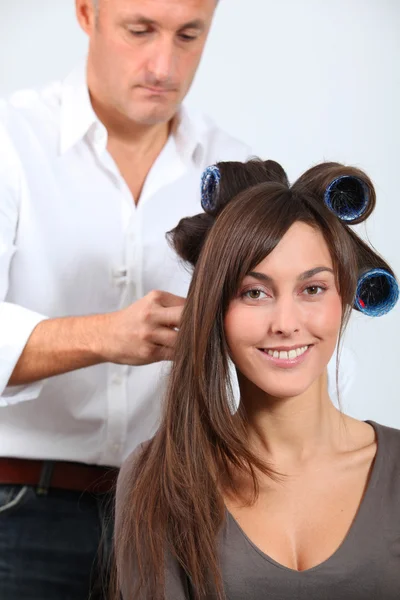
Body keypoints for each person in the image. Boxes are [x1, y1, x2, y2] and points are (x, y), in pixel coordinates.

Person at [0, 1, 353, 598]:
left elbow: (280, 330)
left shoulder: (236, 171)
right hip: (19, 510)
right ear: (87, 13)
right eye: (140, 31)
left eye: (189, 35)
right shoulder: (10, 143)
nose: (164, 63)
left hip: (177, 510)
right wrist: (104, 336)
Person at [114, 158, 399, 600]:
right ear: (216, 310)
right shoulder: (159, 476)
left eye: (313, 289)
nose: (285, 323)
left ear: (344, 298)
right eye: (254, 292)